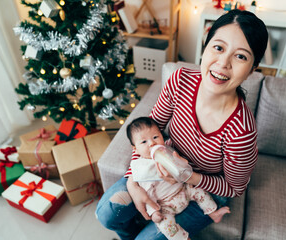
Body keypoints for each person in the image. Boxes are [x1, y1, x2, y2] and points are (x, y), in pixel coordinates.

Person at [96, 9, 268, 240]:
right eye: (218, 47)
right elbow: (148, 131)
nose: (223, 63)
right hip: (157, 173)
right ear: (205, 48)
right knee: (107, 213)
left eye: (241, 56)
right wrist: (132, 181)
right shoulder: (180, 81)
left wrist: (188, 177)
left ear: (251, 69)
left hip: (203, 189)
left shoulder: (242, 131)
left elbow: (235, 188)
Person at [126, 116, 230, 240]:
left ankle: (213, 213)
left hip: (184, 190)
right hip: (165, 204)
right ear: (135, 149)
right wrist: (153, 212)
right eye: (144, 142)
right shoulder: (143, 169)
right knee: (165, 225)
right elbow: (147, 194)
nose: (152, 143)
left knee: (199, 191)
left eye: (155, 137)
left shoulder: (168, 151)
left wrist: (183, 165)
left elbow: (183, 169)